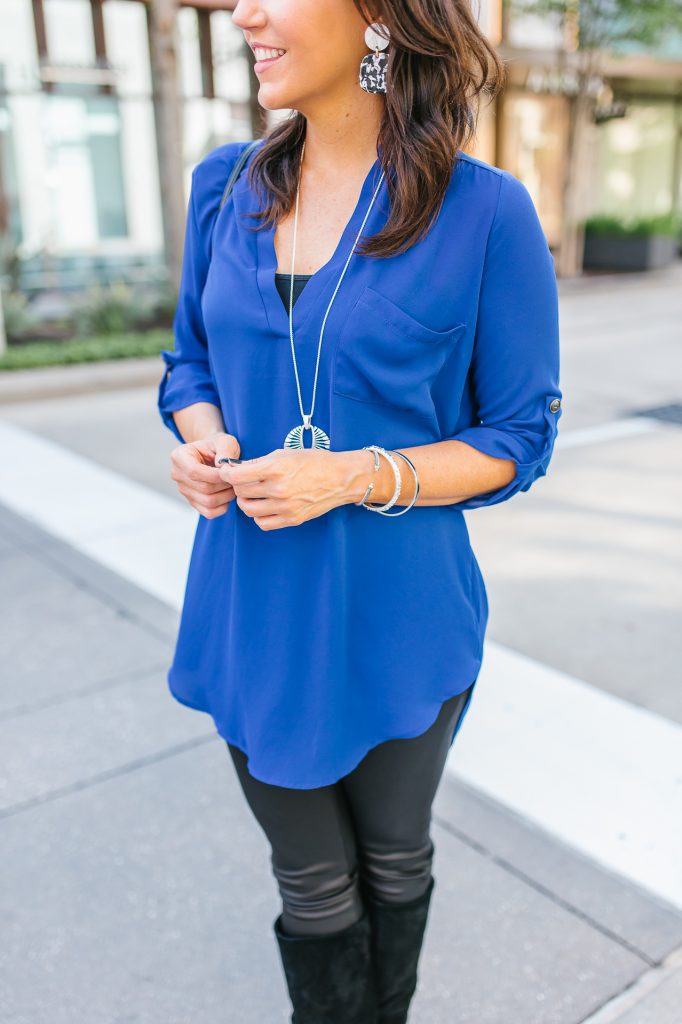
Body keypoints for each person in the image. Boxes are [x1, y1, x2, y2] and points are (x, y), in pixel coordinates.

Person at [156, 1, 563, 1021]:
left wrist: (354, 475)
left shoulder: (483, 212)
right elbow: (188, 365)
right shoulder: (223, 186)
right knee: (310, 881)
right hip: (253, 610)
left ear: (377, 16)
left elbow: (517, 434)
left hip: (402, 615)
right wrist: (203, 437)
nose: (245, 11)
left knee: (394, 857)